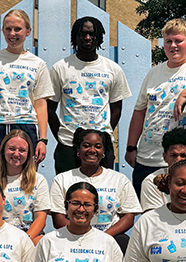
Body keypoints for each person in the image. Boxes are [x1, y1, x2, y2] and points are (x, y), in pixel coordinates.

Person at [124, 19, 186, 194]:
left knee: (178, 215)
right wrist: (131, 147)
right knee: (148, 218)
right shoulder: (153, 73)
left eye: (178, 41)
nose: (173, 46)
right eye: (168, 41)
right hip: (146, 160)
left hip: (179, 163)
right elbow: (139, 111)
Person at [0, 8, 53, 169]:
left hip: (26, 126)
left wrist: (42, 139)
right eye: (8, 29)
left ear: (28, 31)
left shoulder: (38, 64)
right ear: (2, 30)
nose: (12, 34)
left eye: (18, 29)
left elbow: (41, 103)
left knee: (25, 184)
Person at [48, 16, 130, 172]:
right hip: (68, 145)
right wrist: (63, 136)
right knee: (68, 194)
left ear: (98, 37)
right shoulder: (60, 68)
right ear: (75, 37)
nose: (87, 38)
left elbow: (116, 109)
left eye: (92, 34)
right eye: (82, 34)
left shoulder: (113, 69)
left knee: (101, 193)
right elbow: (50, 109)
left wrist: (102, 136)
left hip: (101, 147)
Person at [49, 127, 140, 251]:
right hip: (73, 239)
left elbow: (128, 217)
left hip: (109, 238)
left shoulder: (119, 179)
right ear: (78, 150)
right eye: (86, 146)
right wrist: (83, 236)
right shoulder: (62, 179)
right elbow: (58, 218)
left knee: (123, 242)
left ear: (103, 152)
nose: (92, 150)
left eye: (97, 146)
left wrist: (102, 237)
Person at [0, 129, 51, 243]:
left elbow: (40, 218)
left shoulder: (38, 180)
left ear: (29, 153)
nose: (16, 154)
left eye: (22, 150)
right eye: (12, 149)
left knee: (42, 241)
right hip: (0, 238)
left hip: (29, 237)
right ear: (3, 151)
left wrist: (24, 241)